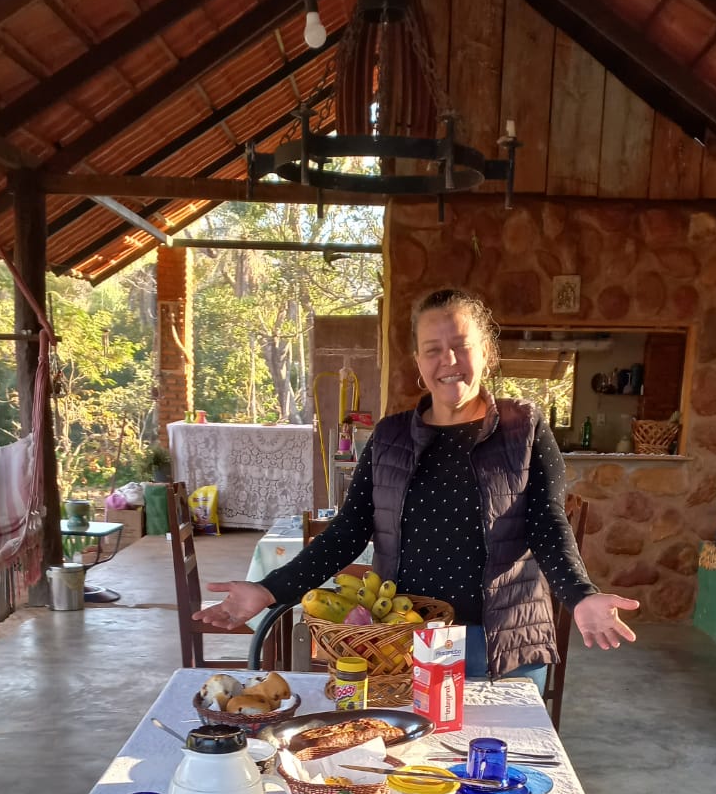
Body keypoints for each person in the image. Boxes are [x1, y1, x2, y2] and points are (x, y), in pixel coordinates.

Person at [195, 287, 639, 690]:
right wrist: (270, 588)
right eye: (433, 350)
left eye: (461, 346)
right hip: (406, 644)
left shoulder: (522, 427)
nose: (448, 361)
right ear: (419, 362)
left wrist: (580, 595)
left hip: (502, 643)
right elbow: (347, 532)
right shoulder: (389, 437)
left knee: (495, 775)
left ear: (486, 351)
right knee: (411, 772)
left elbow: (547, 523)